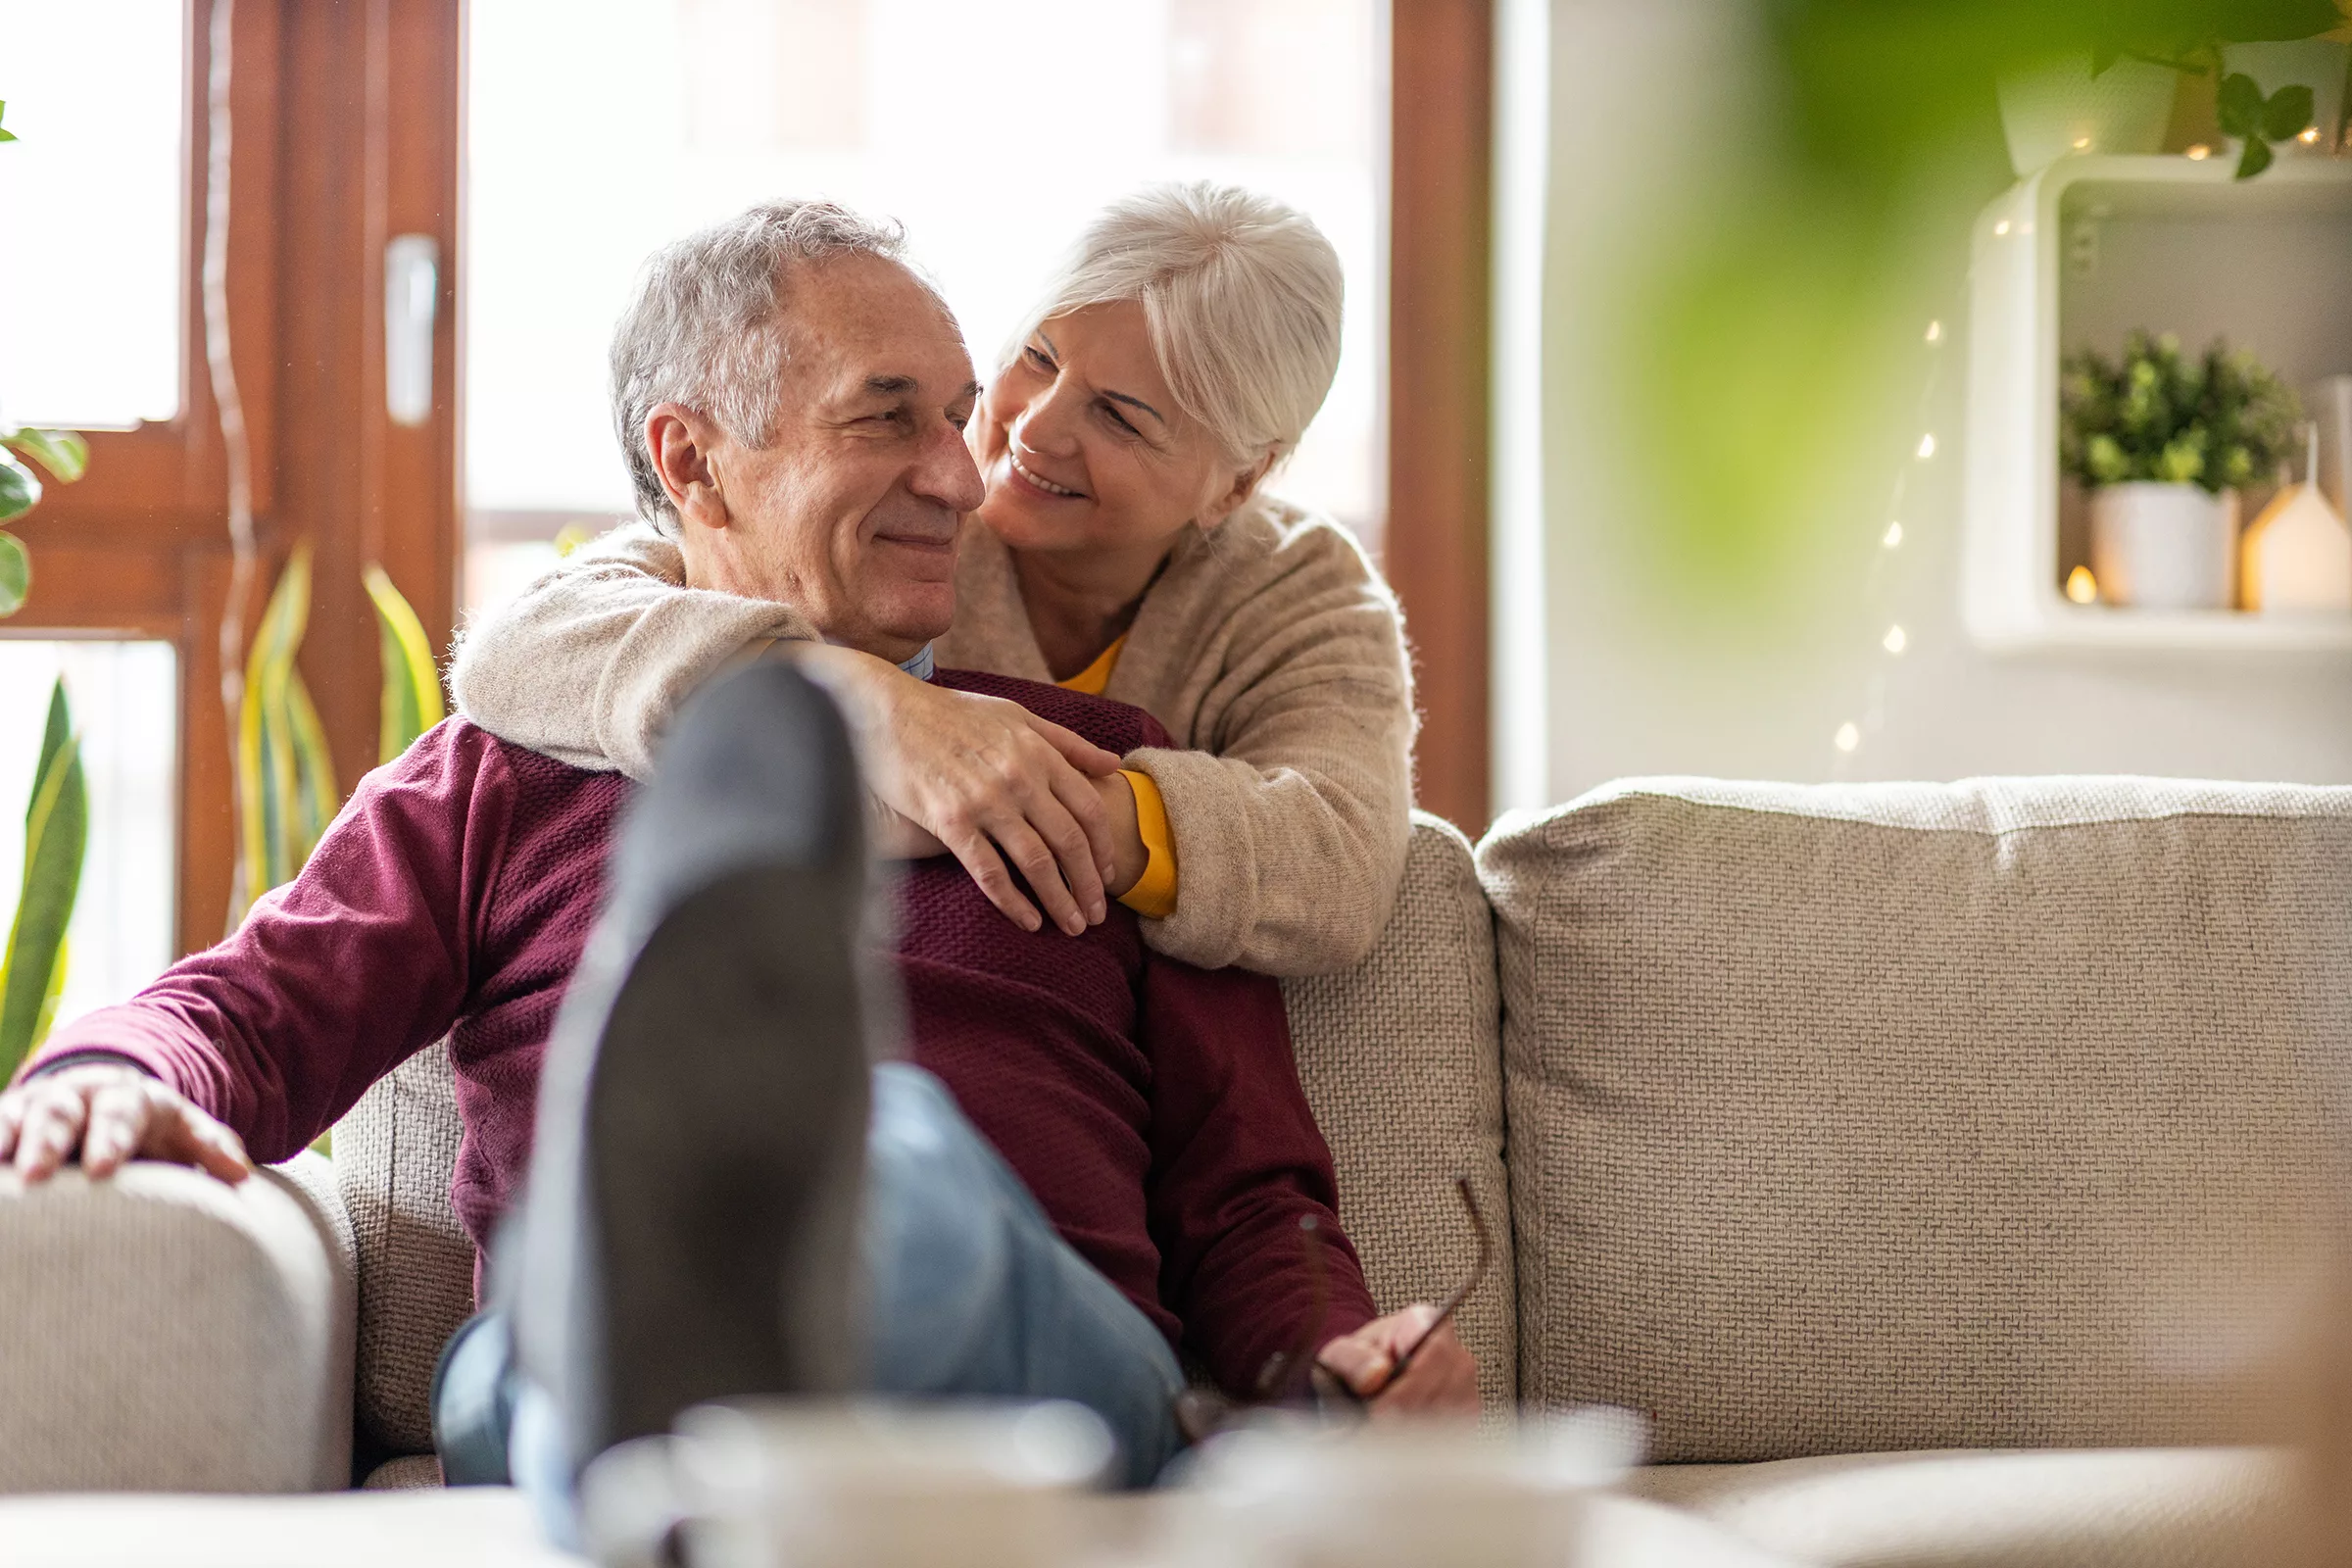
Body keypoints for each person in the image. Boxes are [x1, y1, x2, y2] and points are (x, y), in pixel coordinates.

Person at [0, 203, 1476, 1543]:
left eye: (958, 420)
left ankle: (756, 1208)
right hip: (566, 1360)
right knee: (560, 1339)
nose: (970, 477)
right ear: (690, 459)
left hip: (1024, 1372)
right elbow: (247, 1013)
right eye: (890, 419)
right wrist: (106, 1075)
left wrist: (1329, 1367)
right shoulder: (511, 768)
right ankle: (683, 1281)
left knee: (882, 1153)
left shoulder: (1093, 776)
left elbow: (1246, 1198)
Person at [449, 181, 1412, 978]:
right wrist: (858, 700)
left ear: (1237, 481)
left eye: (1120, 414)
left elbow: (1339, 861)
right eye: (1037, 357)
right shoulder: (912, 501)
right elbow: (530, 643)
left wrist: (1027, 800)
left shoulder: (1300, 594)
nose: (1031, 429)